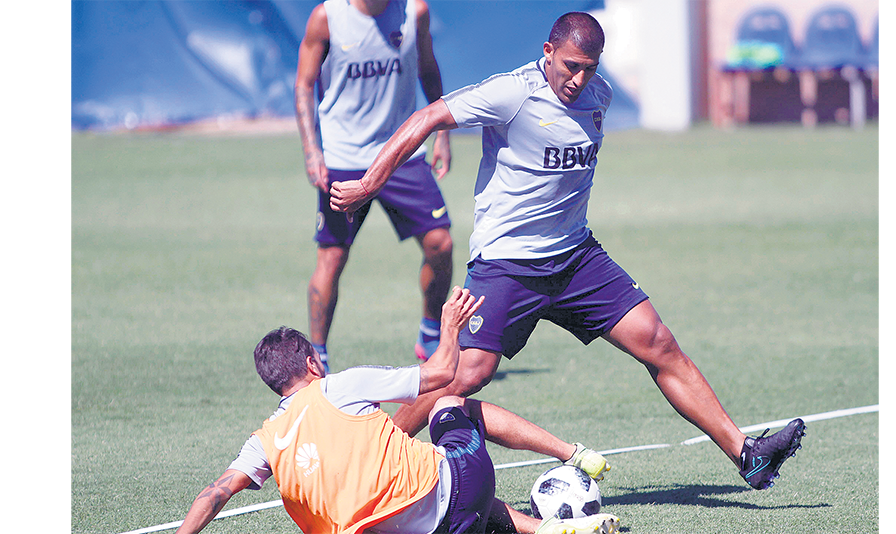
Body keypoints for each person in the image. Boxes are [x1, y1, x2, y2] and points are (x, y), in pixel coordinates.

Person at [329, 12, 806, 491]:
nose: (579, 79)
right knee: (464, 376)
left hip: (576, 258)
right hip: (507, 263)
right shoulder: (511, 93)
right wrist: (369, 184)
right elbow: (426, 116)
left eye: (590, 68)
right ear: (548, 52)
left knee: (658, 342)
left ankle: (747, 454)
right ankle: (370, 462)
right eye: (571, 66)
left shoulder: (599, 96)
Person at [175, 287, 620, 534]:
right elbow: (443, 371)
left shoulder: (263, 443)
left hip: (435, 530)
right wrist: (450, 327)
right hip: (468, 485)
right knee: (448, 405)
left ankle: (542, 529)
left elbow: (214, 494)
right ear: (312, 364)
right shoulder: (340, 385)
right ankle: (572, 454)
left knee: (407, 494)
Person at [295, 0, 455, 372]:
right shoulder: (327, 17)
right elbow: (304, 85)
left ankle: (430, 335)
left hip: (402, 152)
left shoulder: (414, 12)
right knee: (332, 257)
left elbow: (428, 69)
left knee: (441, 244)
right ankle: (318, 359)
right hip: (344, 156)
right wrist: (311, 150)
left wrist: (443, 135)